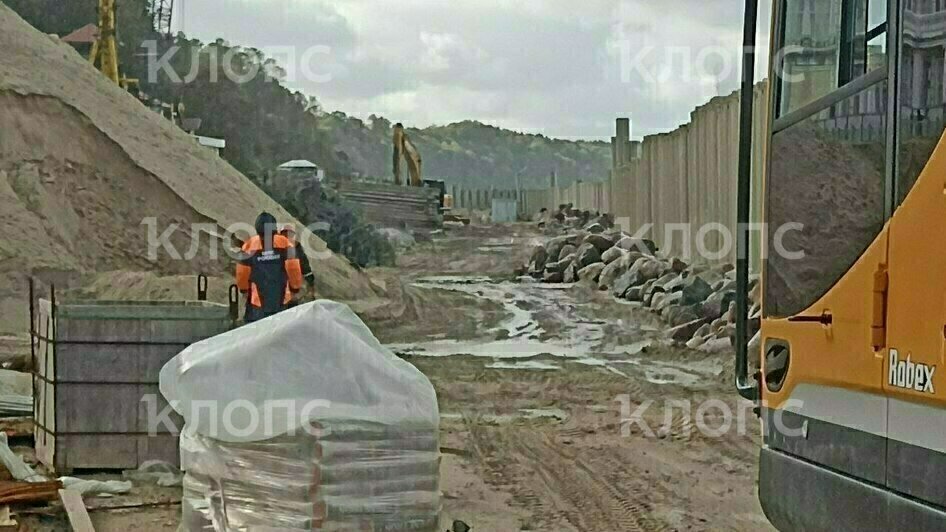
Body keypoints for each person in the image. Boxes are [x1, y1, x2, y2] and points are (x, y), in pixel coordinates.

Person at [235, 212, 303, 323]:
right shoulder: (285, 244)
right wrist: (295, 288)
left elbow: (241, 273)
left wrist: (244, 289)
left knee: (259, 334)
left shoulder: (249, 246)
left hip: (257, 303)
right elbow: (293, 268)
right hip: (282, 301)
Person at [279, 223, 316, 304]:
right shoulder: (276, 247)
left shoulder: (296, 247)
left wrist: (310, 282)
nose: (287, 236)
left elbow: (305, 267)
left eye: (289, 234)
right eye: (285, 234)